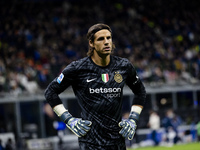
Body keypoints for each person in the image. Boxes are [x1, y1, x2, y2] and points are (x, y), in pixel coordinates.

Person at [44, 23, 146, 150]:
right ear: (91, 43)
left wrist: (133, 119)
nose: (106, 42)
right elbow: (50, 92)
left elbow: (140, 91)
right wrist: (68, 119)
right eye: (101, 39)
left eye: (109, 38)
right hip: (90, 144)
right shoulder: (78, 68)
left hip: (118, 142)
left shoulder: (124, 66)